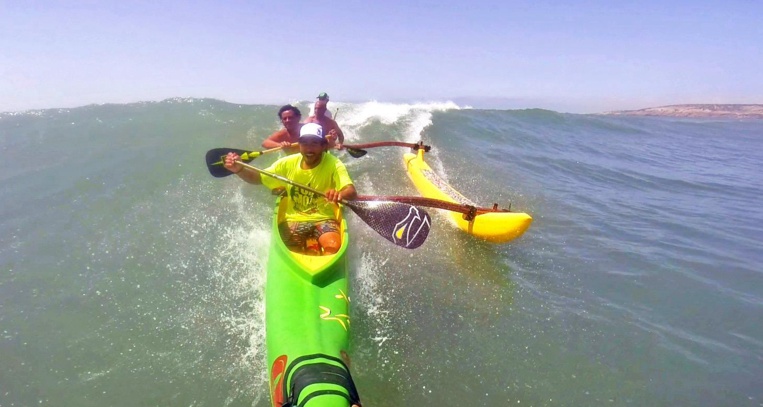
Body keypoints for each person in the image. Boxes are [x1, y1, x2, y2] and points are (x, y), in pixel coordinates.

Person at [224, 123, 357, 254]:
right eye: (304, 143)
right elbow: (258, 178)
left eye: (314, 143)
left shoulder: (335, 164)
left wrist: (339, 194)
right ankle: (310, 247)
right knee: (290, 253)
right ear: (299, 145)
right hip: (294, 219)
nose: (309, 149)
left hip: (324, 218)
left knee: (333, 248)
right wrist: (240, 170)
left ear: (323, 146)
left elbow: (351, 192)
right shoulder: (287, 163)